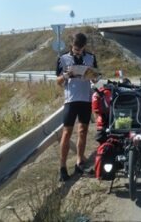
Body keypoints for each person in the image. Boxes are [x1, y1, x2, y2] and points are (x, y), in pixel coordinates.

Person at [56, 32, 98, 181]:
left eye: (80, 49)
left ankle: (79, 161)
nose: (77, 51)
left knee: (83, 131)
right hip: (70, 100)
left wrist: (93, 76)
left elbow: (95, 78)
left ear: (84, 47)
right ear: (71, 46)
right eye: (75, 48)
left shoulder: (91, 57)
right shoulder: (63, 59)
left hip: (85, 100)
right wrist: (67, 75)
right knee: (66, 133)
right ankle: (62, 167)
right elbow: (58, 81)